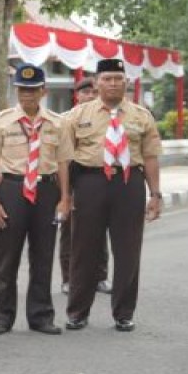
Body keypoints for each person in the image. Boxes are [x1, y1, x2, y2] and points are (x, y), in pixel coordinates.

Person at [58, 59, 163, 333]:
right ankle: (77, 312)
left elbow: (151, 157)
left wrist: (155, 193)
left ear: (126, 82)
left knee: (128, 251)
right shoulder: (77, 115)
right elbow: (64, 159)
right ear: (97, 83)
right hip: (90, 183)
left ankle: (124, 313)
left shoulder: (142, 116)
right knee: (84, 250)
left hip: (128, 184)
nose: (113, 83)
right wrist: (65, 197)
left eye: (118, 78)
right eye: (107, 79)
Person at [0, 64, 66, 336]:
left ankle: (41, 316)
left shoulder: (58, 123)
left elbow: (63, 163)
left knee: (43, 255)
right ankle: (2, 317)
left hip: (46, 190)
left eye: (32, 90)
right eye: (22, 90)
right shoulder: (1, 121)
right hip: (12, 189)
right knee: (7, 256)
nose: (26, 95)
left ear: (43, 90)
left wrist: (65, 199)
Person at [59, 77, 112, 291]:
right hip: (69, 178)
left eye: (93, 93)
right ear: (77, 95)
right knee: (69, 230)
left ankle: (100, 276)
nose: (89, 96)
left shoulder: (107, 119)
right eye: (85, 92)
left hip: (95, 178)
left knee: (100, 229)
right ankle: (69, 279)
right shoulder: (64, 119)